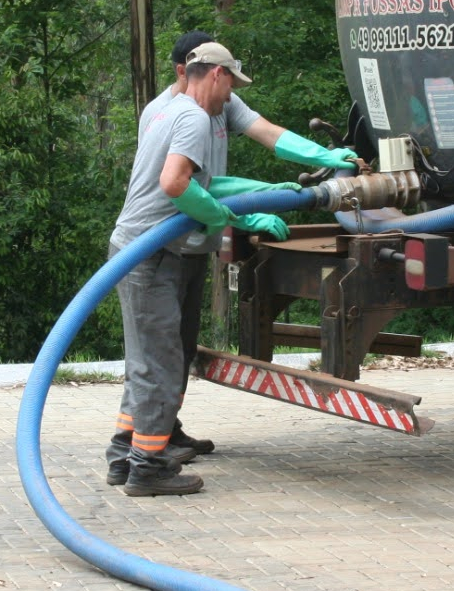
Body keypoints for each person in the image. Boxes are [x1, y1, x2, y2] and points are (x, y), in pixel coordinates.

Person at [105, 31, 361, 488]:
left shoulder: (191, 110)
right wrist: (230, 217)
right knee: (158, 361)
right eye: (231, 84)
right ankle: (147, 468)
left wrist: (285, 181)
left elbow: (219, 175)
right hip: (153, 252)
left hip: (167, 250)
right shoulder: (190, 117)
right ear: (215, 75)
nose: (233, 95)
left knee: (162, 355)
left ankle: (128, 452)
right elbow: (176, 184)